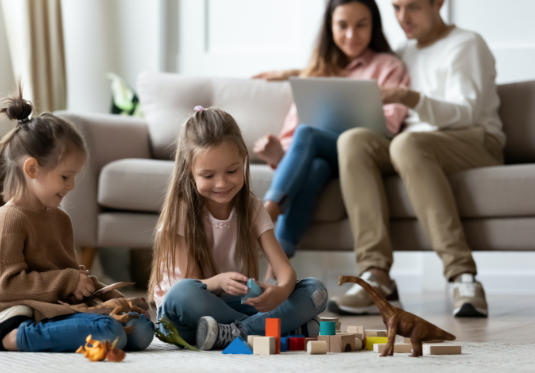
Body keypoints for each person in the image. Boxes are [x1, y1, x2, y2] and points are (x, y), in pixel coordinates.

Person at [329, 0, 504, 317]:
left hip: (475, 139)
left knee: (407, 144)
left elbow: (465, 114)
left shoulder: (466, 43)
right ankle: (375, 275)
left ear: (439, 3)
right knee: (353, 140)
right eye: (396, 7)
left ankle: (463, 276)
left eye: (413, 7)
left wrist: (406, 96)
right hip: (412, 144)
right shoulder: (404, 50)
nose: (402, 18)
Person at [0, 87, 155, 352]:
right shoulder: (9, 220)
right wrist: (68, 281)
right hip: (28, 314)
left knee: (141, 329)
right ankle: (7, 337)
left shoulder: (60, 219)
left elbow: (74, 279)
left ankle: (87, 327)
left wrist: (119, 301)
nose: (72, 185)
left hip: (61, 308)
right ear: (32, 169)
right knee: (109, 331)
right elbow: (3, 287)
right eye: (65, 176)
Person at [252, 0, 410, 281]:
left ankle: (267, 212)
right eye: (342, 25)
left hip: (364, 156)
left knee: (308, 132)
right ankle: (275, 273)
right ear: (330, 27)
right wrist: (278, 153)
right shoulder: (316, 71)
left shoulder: (389, 67)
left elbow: (388, 125)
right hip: (323, 159)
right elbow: (291, 135)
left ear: (373, 25)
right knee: (315, 168)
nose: (352, 35)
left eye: (361, 24)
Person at [149, 106, 328, 351]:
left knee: (315, 290)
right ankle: (276, 328)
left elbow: (285, 270)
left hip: (229, 308)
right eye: (208, 175)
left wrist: (280, 291)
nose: (222, 183)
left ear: (243, 158)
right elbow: (187, 286)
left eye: (232, 171)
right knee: (182, 294)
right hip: (185, 316)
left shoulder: (252, 208)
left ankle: (238, 333)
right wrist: (219, 282)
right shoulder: (180, 213)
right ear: (189, 172)